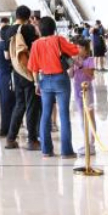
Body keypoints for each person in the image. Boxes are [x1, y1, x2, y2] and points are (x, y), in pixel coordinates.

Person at [27, 16, 79, 159]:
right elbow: (75, 51)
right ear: (53, 28)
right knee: (63, 115)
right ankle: (66, 151)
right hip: (60, 79)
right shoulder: (58, 40)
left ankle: (46, 150)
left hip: (44, 80)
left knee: (45, 115)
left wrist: (36, 83)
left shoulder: (36, 44)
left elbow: (33, 67)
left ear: (40, 29)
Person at [5, 6, 41, 152]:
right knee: (32, 105)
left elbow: (7, 54)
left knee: (20, 104)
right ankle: (32, 140)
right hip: (28, 70)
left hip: (16, 70)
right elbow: (34, 48)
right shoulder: (27, 29)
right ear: (28, 17)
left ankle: (11, 138)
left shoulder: (8, 30)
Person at [69, 41, 96, 155]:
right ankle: (86, 143)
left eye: (79, 47)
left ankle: (92, 143)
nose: (77, 49)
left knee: (89, 116)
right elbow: (71, 75)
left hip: (87, 91)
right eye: (76, 47)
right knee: (81, 117)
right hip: (77, 90)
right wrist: (71, 65)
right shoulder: (75, 59)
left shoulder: (90, 60)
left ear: (85, 49)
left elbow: (91, 75)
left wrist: (80, 65)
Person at [0, 22, 16, 139]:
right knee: (9, 104)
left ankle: (5, 128)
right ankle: (7, 129)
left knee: (5, 104)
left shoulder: (1, 44)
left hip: (2, 77)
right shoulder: (5, 46)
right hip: (7, 77)